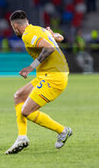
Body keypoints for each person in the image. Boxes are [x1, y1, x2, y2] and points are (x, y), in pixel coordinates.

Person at [5, 10, 72, 155]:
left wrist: (31, 67)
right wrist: (53, 35)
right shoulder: (38, 29)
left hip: (54, 77)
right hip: (47, 75)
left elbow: (49, 47)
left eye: (12, 27)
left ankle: (63, 131)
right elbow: (59, 37)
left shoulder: (28, 35)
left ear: (15, 26)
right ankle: (22, 137)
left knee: (27, 111)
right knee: (19, 96)